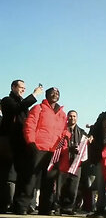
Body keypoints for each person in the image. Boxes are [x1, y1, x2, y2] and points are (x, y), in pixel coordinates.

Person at [22, 87, 67, 215]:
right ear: (46, 95)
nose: (55, 94)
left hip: (53, 152)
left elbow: (64, 131)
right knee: (30, 178)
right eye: (52, 92)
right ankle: (23, 205)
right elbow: (29, 125)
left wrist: (66, 137)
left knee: (49, 181)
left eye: (57, 93)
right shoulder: (38, 108)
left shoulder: (62, 114)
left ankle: (45, 208)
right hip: (38, 148)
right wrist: (31, 142)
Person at [0, 80, 42, 214]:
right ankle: (3, 203)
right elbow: (16, 108)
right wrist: (34, 95)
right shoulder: (7, 100)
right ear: (13, 87)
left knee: (22, 174)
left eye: (25, 88)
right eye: (21, 87)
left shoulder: (24, 104)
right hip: (9, 142)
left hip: (22, 142)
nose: (23, 90)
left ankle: (19, 204)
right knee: (7, 174)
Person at [56, 110, 90, 215]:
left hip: (76, 162)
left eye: (74, 116)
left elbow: (86, 143)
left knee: (73, 186)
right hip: (63, 161)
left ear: (77, 118)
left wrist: (89, 139)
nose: (72, 118)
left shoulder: (82, 132)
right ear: (67, 117)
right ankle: (58, 207)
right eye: (70, 116)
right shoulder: (61, 129)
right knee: (61, 186)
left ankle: (69, 207)